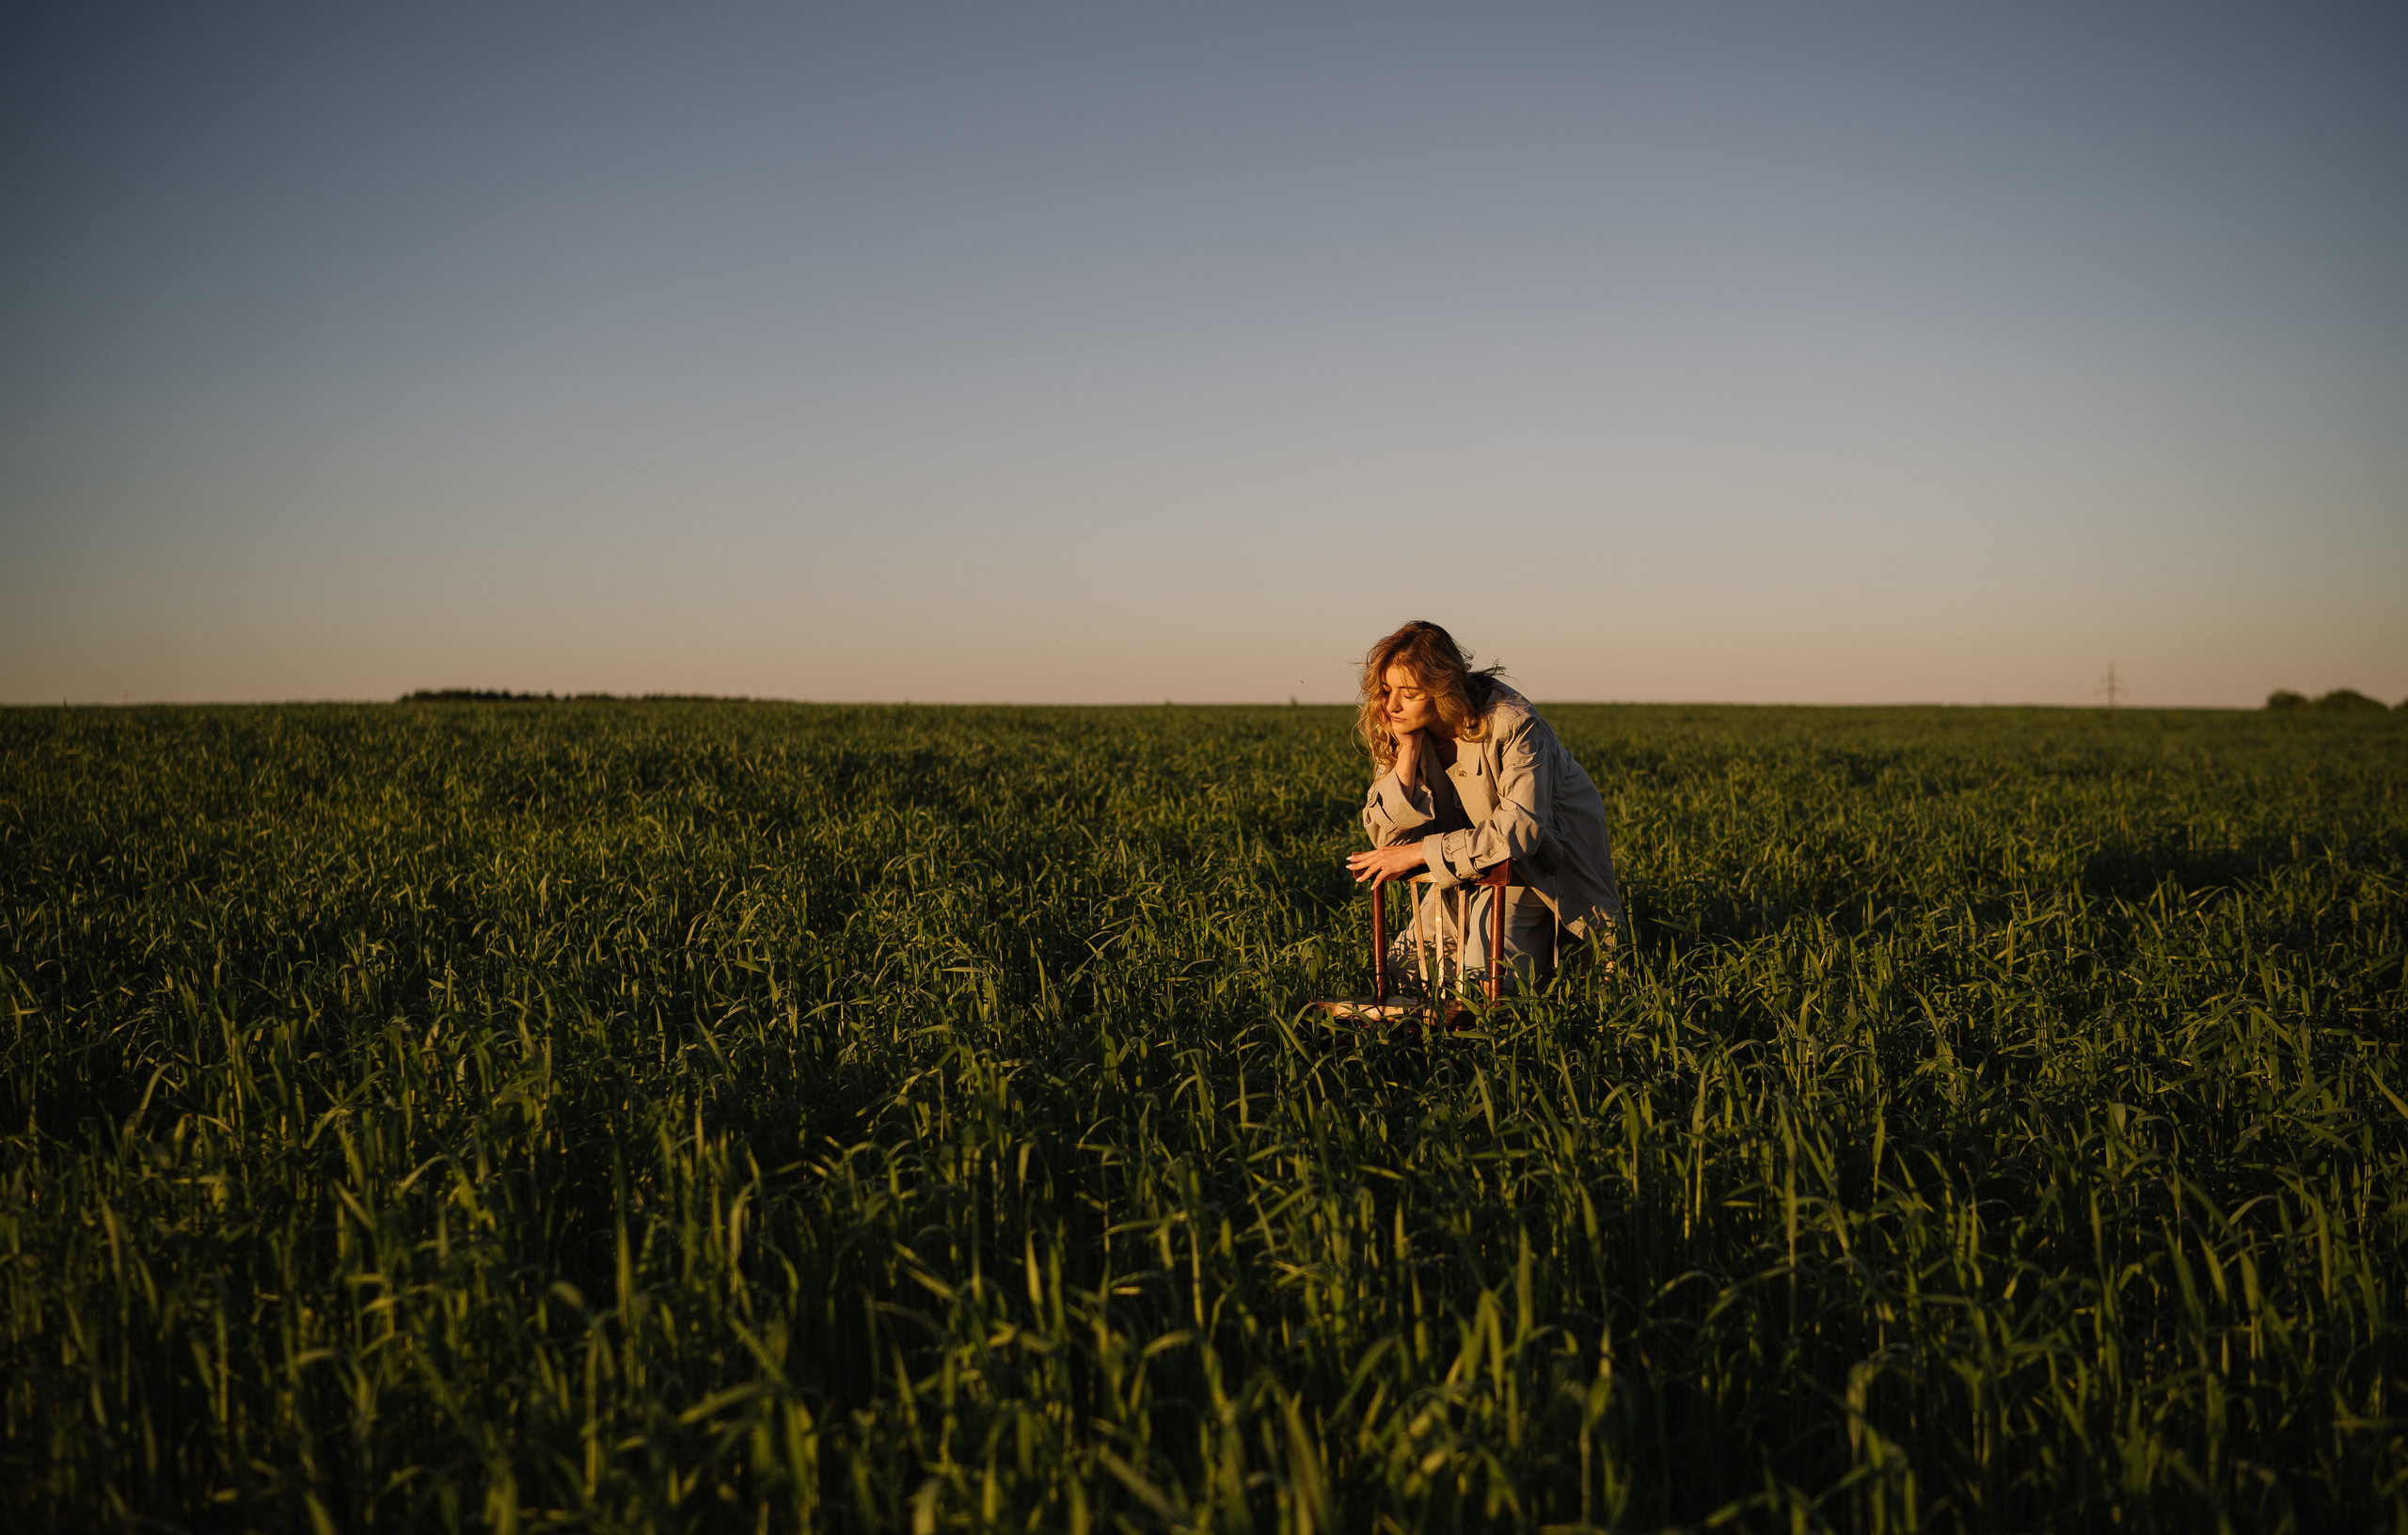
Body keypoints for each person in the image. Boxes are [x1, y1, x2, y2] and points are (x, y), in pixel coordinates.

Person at [1344, 620, 1624, 994]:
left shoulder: (1513, 724)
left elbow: (1520, 831)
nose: (1391, 705)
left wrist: (1420, 852)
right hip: (1465, 869)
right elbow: (1386, 836)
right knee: (1406, 975)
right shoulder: (1402, 726)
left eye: (1407, 693)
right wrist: (1407, 752)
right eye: (1385, 690)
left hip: (1534, 872)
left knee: (1482, 983)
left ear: (1442, 688)